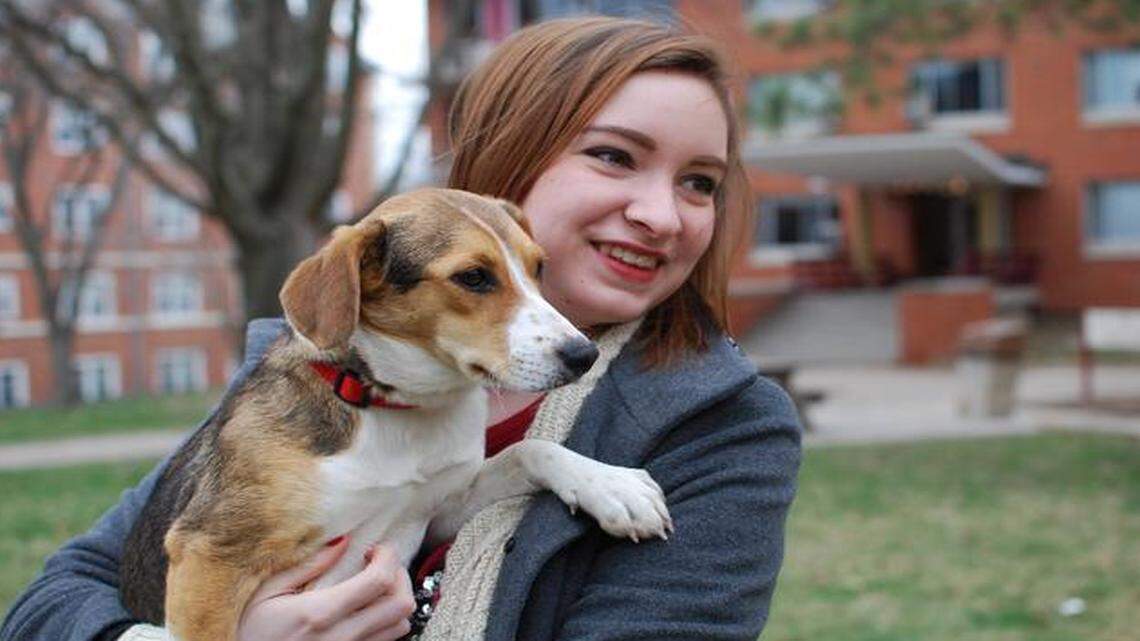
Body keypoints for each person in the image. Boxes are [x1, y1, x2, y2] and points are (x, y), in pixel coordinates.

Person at [1, 16, 801, 641]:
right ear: (508, 164)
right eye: (615, 157)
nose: (662, 214)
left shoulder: (722, 430)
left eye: (700, 182)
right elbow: (51, 603)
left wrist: (548, 462)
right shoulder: (287, 392)